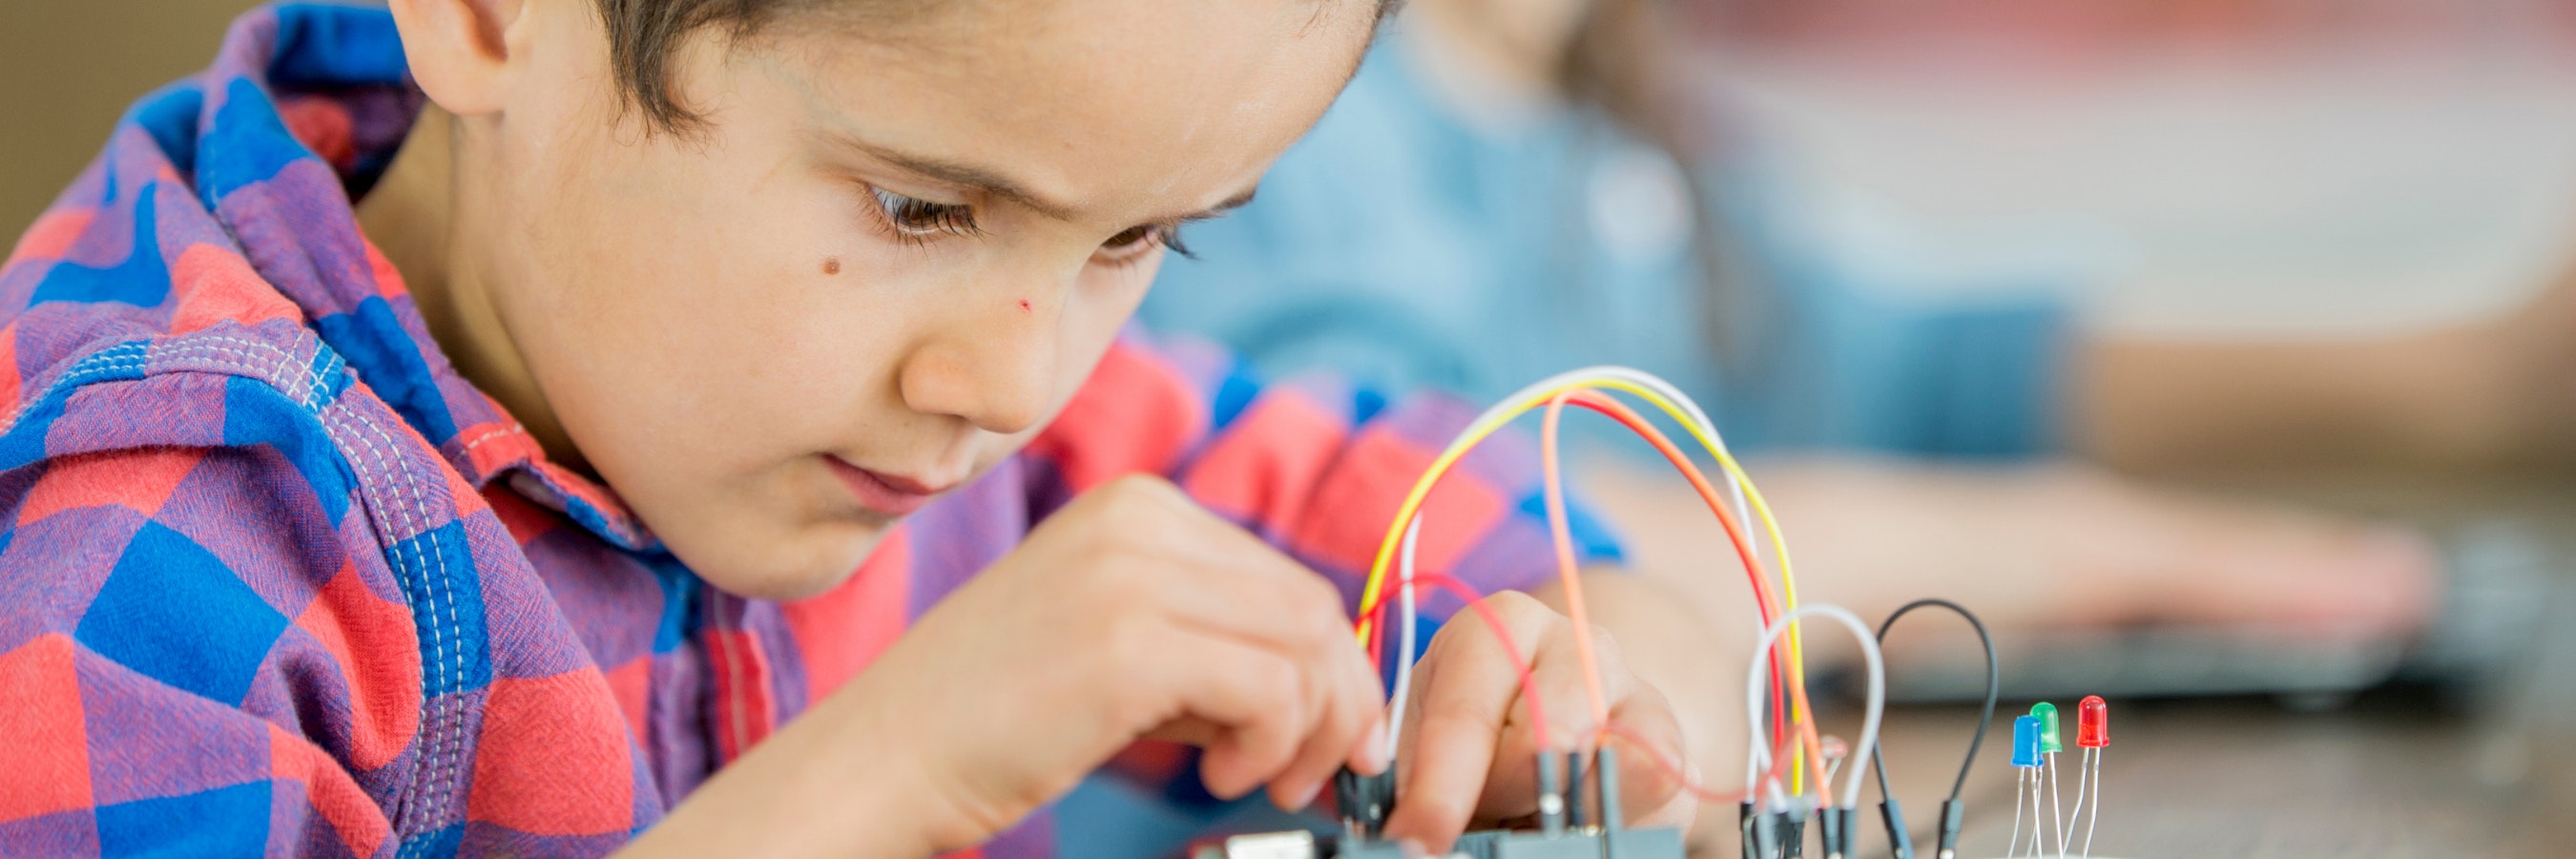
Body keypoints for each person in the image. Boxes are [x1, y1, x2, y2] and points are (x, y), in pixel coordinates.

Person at [0, 0, 1723, 855]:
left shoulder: (965, 408)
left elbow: (1459, 516)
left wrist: (1575, 663)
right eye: (919, 211)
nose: (1019, 385)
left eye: (1137, 241)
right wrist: (899, 771)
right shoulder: (153, 569)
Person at [1139, 0, 2461, 653]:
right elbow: (1401, 529)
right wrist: (2100, 550)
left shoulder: (1614, 123)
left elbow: (1910, 368)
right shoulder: (1284, 106)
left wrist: (2458, 378)